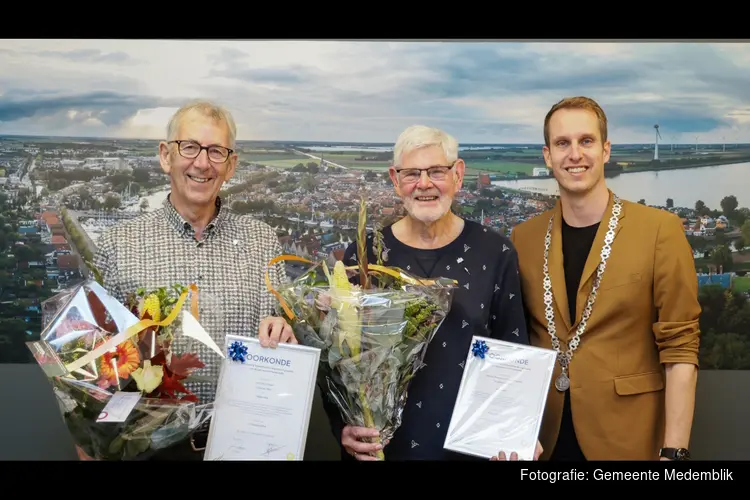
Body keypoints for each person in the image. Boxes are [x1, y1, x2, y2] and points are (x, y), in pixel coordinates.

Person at [88, 99, 295, 460]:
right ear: (166, 156)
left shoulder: (262, 241)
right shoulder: (116, 245)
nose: (202, 163)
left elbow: (281, 338)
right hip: (149, 449)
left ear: (231, 165)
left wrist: (287, 336)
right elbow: (94, 364)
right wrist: (89, 444)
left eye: (217, 151)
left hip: (246, 444)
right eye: (190, 147)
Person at [322, 124, 540, 461]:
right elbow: (338, 362)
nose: (424, 184)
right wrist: (343, 428)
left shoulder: (495, 253)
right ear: (395, 180)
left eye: (437, 171)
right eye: (412, 174)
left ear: (458, 174)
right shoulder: (364, 254)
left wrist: (519, 430)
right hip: (383, 451)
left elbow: (513, 351)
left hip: (472, 450)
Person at [509, 96, 701, 461]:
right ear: (548, 155)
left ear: (606, 150)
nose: (574, 154)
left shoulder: (660, 230)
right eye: (562, 143)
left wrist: (673, 455)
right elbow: (514, 340)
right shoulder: (523, 238)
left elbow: (680, 350)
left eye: (586, 141)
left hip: (627, 442)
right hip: (541, 445)